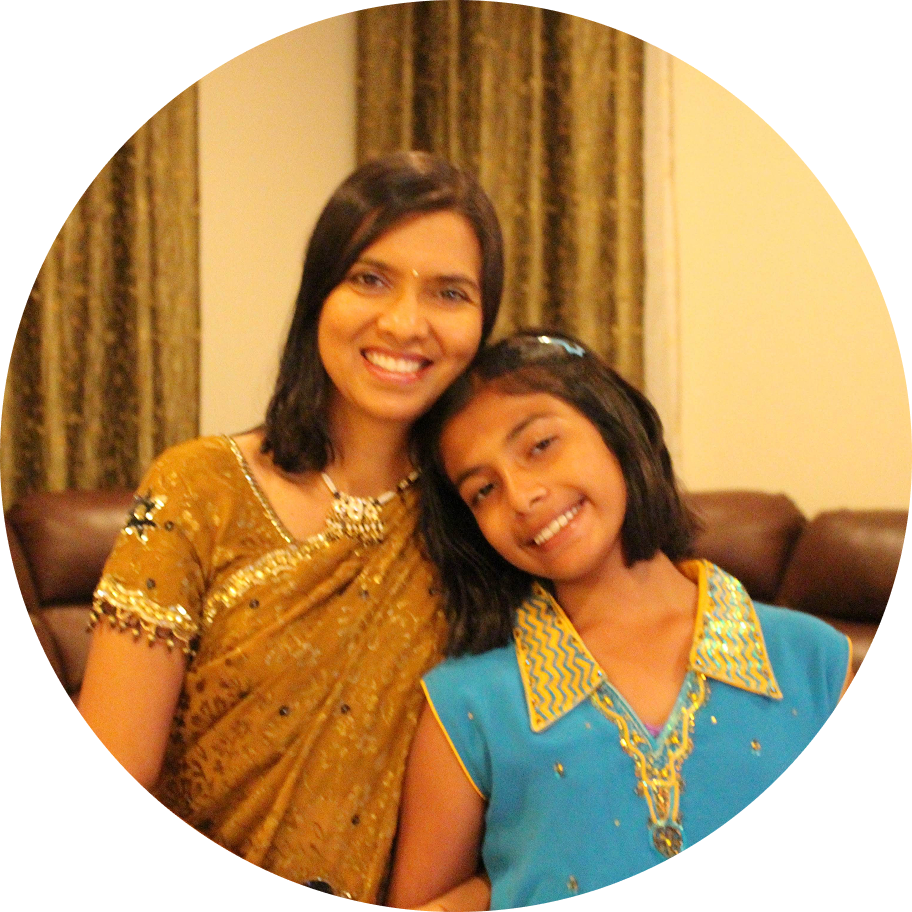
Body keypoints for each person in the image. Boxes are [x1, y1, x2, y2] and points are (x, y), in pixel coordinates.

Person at [77, 151, 505, 904]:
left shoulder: (485, 521)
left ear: (481, 322)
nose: (405, 323)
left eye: (449, 292)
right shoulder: (198, 488)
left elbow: (540, 807)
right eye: (370, 279)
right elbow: (102, 793)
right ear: (319, 296)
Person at [388, 330, 851, 910]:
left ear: (615, 427)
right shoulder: (466, 704)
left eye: (539, 446)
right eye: (482, 490)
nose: (523, 495)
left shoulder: (815, 659)